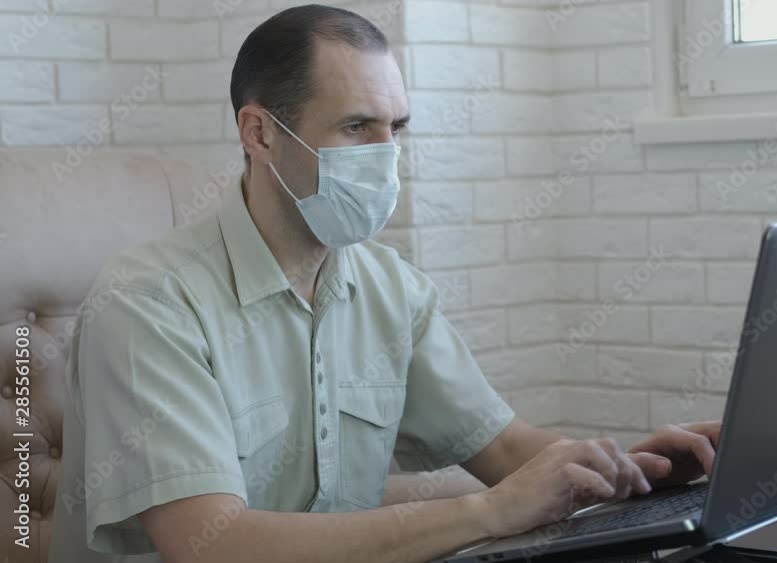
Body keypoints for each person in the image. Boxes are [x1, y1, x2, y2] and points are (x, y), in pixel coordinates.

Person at [50, 5, 721, 563]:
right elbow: (211, 544)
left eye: (394, 128)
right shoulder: (149, 303)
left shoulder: (390, 288)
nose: (386, 155)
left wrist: (631, 470)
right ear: (259, 133)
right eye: (355, 127)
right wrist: (491, 510)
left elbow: (504, 445)